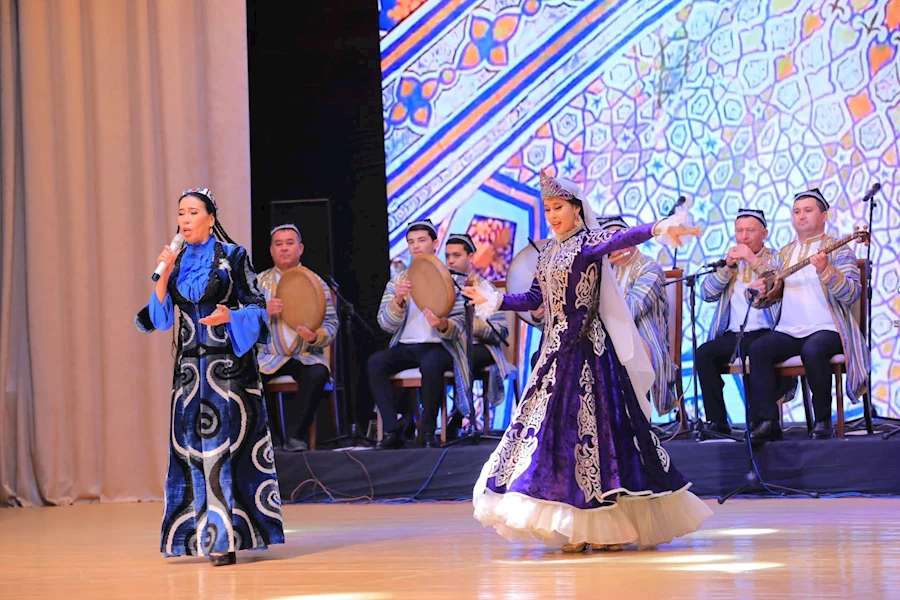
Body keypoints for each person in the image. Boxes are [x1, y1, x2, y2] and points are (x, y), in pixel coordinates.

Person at [463, 171, 712, 552]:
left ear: (577, 209)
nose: (552, 215)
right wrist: (496, 300)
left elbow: (621, 238)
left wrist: (659, 228)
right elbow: (534, 298)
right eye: (548, 209)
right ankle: (578, 528)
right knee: (556, 440)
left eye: (558, 208)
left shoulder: (588, 243)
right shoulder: (548, 251)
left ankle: (610, 526)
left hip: (589, 354)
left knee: (602, 441)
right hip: (554, 353)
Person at [135, 188, 284, 566]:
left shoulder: (233, 257)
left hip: (228, 373)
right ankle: (198, 536)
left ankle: (224, 539)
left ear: (211, 218)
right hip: (189, 374)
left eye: (192, 212)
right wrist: (163, 274)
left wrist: (231, 316)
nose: (184, 220)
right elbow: (160, 319)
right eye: (180, 213)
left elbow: (258, 309)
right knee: (192, 455)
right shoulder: (177, 261)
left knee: (224, 453)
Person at [747, 189, 869, 441]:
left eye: (808, 210)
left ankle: (823, 419)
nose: (801, 216)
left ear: (823, 216)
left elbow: (851, 294)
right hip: (789, 330)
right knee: (759, 349)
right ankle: (769, 421)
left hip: (829, 329)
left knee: (812, 349)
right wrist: (761, 291)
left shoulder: (840, 250)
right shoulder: (783, 255)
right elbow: (768, 293)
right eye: (796, 212)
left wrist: (826, 270)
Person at [368, 219, 468, 449]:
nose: (415, 246)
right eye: (411, 242)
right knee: (376, 363)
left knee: (432, 364)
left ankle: (429, 431)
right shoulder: (398, 280)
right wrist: (398, 301)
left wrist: (443, 324)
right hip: (406, 346)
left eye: (421, 240)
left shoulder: (452, 279)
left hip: (439, 346)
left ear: (435, 243)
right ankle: (393, 430)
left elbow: (460, 324)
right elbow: (384, 324)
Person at [695, 209, 787, 435]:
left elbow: (776, 280)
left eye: (750, 231)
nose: (743, 237)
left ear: (764, 234)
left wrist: (752, 259)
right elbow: (707, 293)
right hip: (734, 334)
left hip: (767, 331)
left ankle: (765, 422)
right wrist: (727, 267)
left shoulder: (777, 258)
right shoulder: (730, 263)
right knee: (704, 353)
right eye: (739, 231)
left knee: (757, 351)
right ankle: (717, 421)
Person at [257, 224, 339, 452]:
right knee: (245, 376)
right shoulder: (256, 284)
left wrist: (314, 336)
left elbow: (331, 324)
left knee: (318, 373)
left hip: (305, 355)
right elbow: (239, 322)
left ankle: (295, 436)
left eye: (289, 243)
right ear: (271, 250)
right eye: (278, 244)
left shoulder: (317, 283)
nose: (284, 249)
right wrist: (263, 313)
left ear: (300, 249)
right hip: (269, 356)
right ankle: (269, 440)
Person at [599, 216, 678, 416]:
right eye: (611, 243)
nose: (617, 247)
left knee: (617, 356)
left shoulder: (649, 268)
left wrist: (603, 280)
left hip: (645, 343)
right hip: (609, 340)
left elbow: (631, 309)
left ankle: (632, 422)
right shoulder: (606, 270)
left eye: (621, 239)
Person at [444, 232, 510, 433]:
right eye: (447, 256)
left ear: (470, 257)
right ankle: (425, 423)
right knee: (435, 359)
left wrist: (476, 327)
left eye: (456, 255)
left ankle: (459, 416)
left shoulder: (484, 287)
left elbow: (501, 330)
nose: (451, 261)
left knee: (464, 355)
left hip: (483, 347)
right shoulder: (443, 289)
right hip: (452, 346)